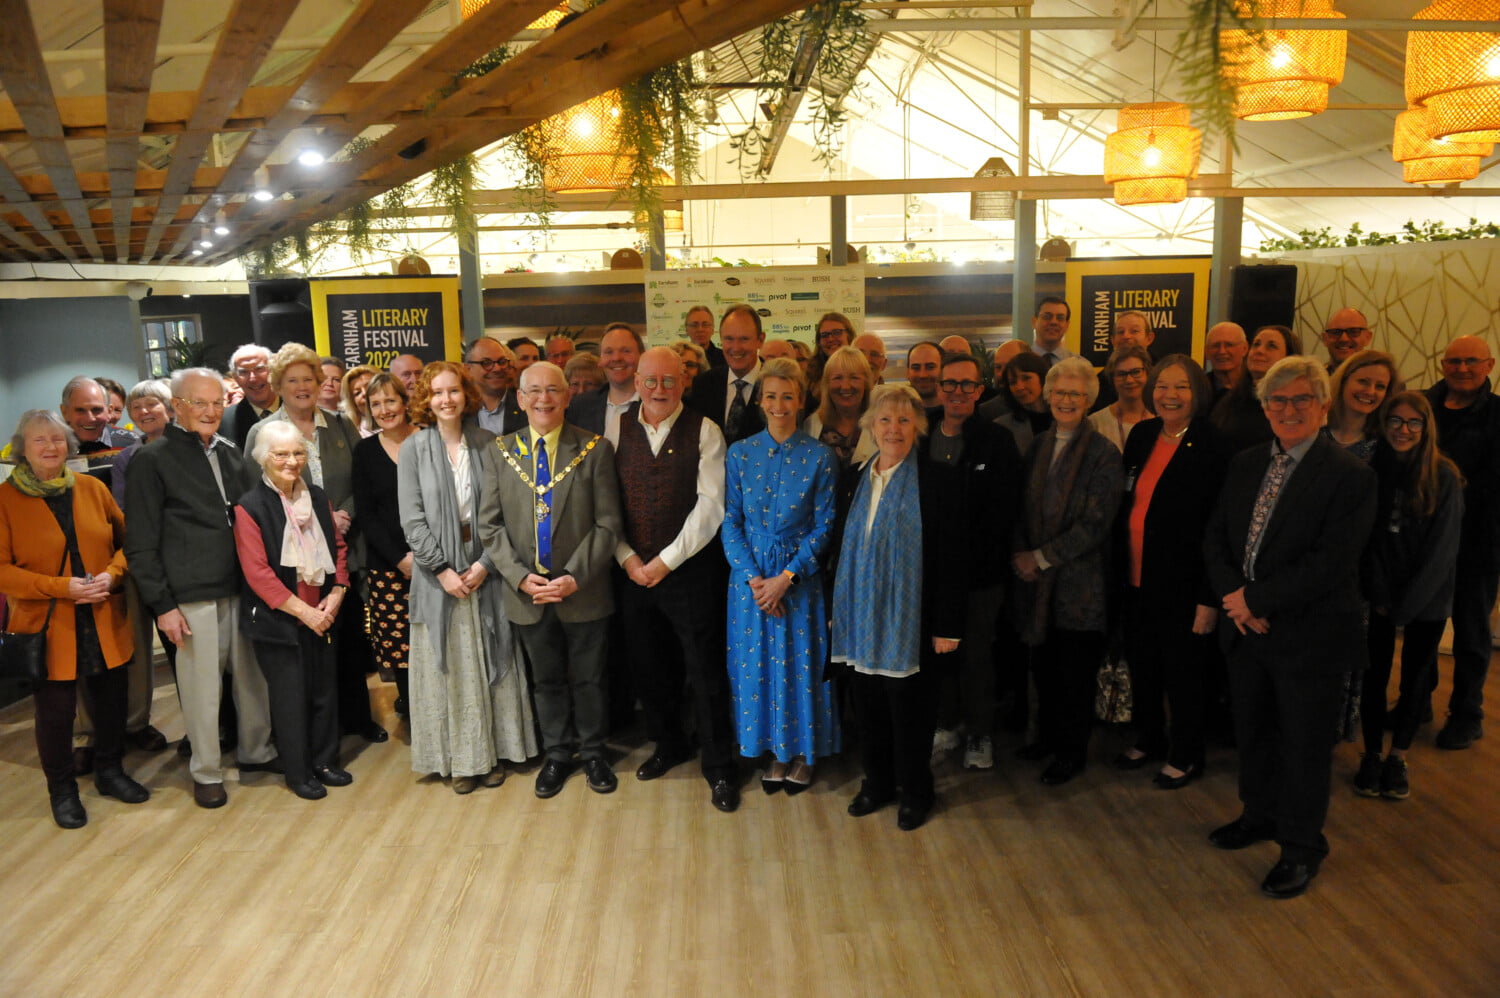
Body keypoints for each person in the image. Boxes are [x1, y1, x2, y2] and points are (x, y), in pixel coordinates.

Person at [1204, 355, 1377, 900]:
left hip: (1310, 636)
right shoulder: (1247, 462)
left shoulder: (1351, 475)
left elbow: (1332, 562)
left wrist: (1253, 599)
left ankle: (1302, 849)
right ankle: (1259, 815)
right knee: (1253, 732)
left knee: (1303, 748)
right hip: (1247, 629)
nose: (1288, 409)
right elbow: (1216, 538)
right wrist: (1237, 601)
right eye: (1277, 400)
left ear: (1325, 407)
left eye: (1302, 399)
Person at [125, 367, 275, 808]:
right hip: (189, 597)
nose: (211, 411)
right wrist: (162, 606)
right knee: (201, 690)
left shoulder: (232, 454)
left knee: (252, 682)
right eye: (199, 403)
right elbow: (141, 544)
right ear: (177, 407)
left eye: (217, 403)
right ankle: (206, 772)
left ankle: (257, 753)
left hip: (242, 589)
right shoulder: (151, 461)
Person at [478, 361, 623, 799]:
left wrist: (573, 577)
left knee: (590, 677)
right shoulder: (499, 452)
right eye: (534, 391)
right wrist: (521, 579)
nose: (544, 399)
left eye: (553, 390)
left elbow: (608, 523)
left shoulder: (594, 449)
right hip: (528, 594)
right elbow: (489, 527)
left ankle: (595, 751)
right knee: (546, 680)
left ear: (567, 396)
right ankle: (558, 753)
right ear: (520, 399)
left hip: (582, 591)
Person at [1, 410, 149, 828]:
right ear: (20, 450)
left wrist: (112, 574)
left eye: (56, 439)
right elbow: (2, 570)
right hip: (47, 624)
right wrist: (59, 587)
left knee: (111, 702)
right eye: (39, 441)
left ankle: (110, 771)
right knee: (55, 713)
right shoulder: (4, 500)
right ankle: (62, 790)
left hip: (103, 614)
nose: (50, 448)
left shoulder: (90, 488)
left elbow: (128, 542)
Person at [830, 384, 966, 832]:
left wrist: (947, 623)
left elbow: (951, 558)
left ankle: (916, 791)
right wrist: (837, 609)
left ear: (919, 427)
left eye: (905, 420)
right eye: (885, 420)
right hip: (860, 617)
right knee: (867, 707)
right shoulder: (853, 478)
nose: (894, 429)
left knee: (911, 712)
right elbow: (840, 549)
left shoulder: (939, 481)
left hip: (913, 621)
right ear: (870, 425)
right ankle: (877, 784)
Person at [399, 362, 538, 793]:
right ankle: (462, 760)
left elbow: (505, 513)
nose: (446, 399)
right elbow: (412, 518)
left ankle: (493, 753)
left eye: (454, 391)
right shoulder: (413, 449)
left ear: (466, 395)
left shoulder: (489, 443)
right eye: (437, 392)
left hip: (487, 573)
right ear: (426, 398)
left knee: (492, 661)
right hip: (437, 579)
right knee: (453, 670)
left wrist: (483, 565)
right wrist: (441, 570)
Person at [613, 348, 739, 812]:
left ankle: (720, 768)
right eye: (650, 380)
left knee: (704, 673)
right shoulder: (617, 427)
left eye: (669, 380)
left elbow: (711, 507)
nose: (659, 389)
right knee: (650, 668)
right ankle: (669, 745)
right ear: (636, 381)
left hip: (690, 574)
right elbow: (607, 504)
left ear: (684, 381)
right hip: (632, 573)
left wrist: (664, 562)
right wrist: (627, 558)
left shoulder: (705, 430)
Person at [245, 343, 384, 745]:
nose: (303, 387)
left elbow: (364, 480)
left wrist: (343, 514)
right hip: (291, 561)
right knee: (305, 645)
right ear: (278, 386)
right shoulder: (263, 431)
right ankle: (315, 730)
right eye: (293, 380)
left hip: (345, 549)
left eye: (309, 379)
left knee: (350, 638)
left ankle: (357, 717)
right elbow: (255, 494)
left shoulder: (339, 425)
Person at [723, 358, 840, 795]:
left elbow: (825, 526)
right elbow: (729, 521)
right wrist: (754, 579)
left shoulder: (820, 457)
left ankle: (804, 753)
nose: (778, 404)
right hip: (749, 585)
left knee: (799, 667)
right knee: (756, 669)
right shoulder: (740, 453)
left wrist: (786, 577)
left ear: (801, 400)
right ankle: (772, 750)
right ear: (759, 400)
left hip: (799, 581)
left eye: (787, 396)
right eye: (770, 396)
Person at [1113, 356, 1231, 788]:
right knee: (1144, 665)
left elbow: (1219, 529)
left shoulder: (1213, 446)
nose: (1169, 395)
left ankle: (1187, 753)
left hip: (1184, 586)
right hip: (1136, 579)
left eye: (1180, 387)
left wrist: (1208, 597)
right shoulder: (1143, 435)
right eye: (1162, 386)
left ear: (1197, 392)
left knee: (1184, 673)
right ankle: (1149, 737)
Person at [1011, 357, 1123, 786]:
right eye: (1059, 392)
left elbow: (1096, 524)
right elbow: (1020, 506)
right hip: (1036, 585)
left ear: (1089, 399)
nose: (1066, 400)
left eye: (1076, 394)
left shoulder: (1103, 454)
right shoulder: (1039, 445)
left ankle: (1070, 752)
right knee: (1044, 668)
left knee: (1074, 676)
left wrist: (1039, 558)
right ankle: (1046, 738)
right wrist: (1022, 553)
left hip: (1080, 587)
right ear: (1049, 395)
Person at [233, 421, 353, 800]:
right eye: (280, 454)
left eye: (298, 453)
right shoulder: (249, 507)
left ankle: (325, 761)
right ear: (262, 459)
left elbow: (338, 549)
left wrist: (335, 595)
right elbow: (258, 574)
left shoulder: (317, 497)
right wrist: (307, 613)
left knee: (324, 692)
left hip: (324, 611)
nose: (291, 461)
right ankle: (299, 772)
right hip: (280, 619)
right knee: (290, 698)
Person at [1357, 391, 1463, 800]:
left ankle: (1398, 755)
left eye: (1413, 423)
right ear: (1383, 426)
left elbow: (1442, 550)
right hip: (1378, 594)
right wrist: (1381, 596)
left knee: (1416, 679)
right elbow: (1369, 541)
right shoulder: (1371, 471)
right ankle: (1370, 753)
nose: (1404, 430)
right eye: (1395, 421)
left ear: (1426, 428)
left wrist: (1409, 605)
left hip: (1428, 598)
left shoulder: (1444, 476)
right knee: (1373, 675)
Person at [927, 352, 1023, 771]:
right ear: (939, 387)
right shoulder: (922, 431)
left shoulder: (997, 440)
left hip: (981, 573)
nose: (957, 392)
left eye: (967, 384)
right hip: (930, 572)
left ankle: (980, 733)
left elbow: (1005, 510)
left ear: (980, 390)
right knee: (938, 653)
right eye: (950, 383)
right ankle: (947, 723)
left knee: (976, 656)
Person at [1423, 335, 1500, 750]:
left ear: (1488, 365)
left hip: (1479, 541)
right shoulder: (1424, 406)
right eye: (1455, 361)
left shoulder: (1499, 415)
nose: (1463, 368)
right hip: (1428, 539)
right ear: (1442, 364)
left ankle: (1467, 714)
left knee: (1471, 633)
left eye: (1472, 361)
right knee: (1425, 627)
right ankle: (1418, 702)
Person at [95, 379, 174, 757]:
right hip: (146, 557)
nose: (144, 413)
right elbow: (125, 508)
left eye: (152, 405)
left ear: (170, 407)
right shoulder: (126, 457)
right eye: (137, 407)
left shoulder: (185, 444)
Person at [352, 373, 417, 717]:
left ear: (405, 402)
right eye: (375, 404)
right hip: (388, 566)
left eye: (390, 401)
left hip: (437, 561)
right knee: (401, 645)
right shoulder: (364, 451)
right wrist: (398, 559)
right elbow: (366, 513)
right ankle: (409, 708)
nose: (384, 409)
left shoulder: (429, 440)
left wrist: (427, 556)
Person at [1211, 324, 1303, 454]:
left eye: (1271, 346)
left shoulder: (1294, 407)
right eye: (1256, 344)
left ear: (1289, 358)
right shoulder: (1228, 400)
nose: (1259, 351)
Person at [804, 345, 877, 469]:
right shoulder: (811, 425)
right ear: (826, 384)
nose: (845, 386)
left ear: (865, 382)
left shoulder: (881, 423)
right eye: (837, 378)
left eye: (854, 378)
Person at [567, 322, 641, 443]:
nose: (617, 358)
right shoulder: (579, 407)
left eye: (626, 351)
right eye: (608, 352)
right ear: (600, 359)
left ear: (641, 356)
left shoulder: (656, 403)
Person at [1324, 350, 1399, 461]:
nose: (1370, 392)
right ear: (1343, 381)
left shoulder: (1386, 444)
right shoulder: (1314, 429)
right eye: (1363, 381)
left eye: (1380, 386)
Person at [986, 351, 1052, 454]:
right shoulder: (1002, 427)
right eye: (1013, 382)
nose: (1020, 387)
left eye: (1026, 378)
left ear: (1043, 378)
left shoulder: (1063, 418)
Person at [1088, 345, 1152, 451]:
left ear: (1147, 373)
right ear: (1112, 378)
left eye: (1136, 372)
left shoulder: (1162, 420)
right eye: (1121, 374)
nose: (1129, 380)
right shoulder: (1095, 423)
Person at [1091, 312, 1157, 411]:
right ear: (1112, 340)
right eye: (1120, 332)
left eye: (1134, 331)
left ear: (1149, 338)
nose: (1126, 336)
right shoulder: (1100, 382)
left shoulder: (1163, 373)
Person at [223, 345, 280, 451]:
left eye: (259, 369)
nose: (253, 378)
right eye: (244, 372)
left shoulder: (299, 409)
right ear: (236, 378)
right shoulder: (224, 422)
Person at [464, 337, 525, 436]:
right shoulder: (460, 412)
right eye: (486, 363)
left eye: (502, 361)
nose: (497, 368)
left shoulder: (525, 406)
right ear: (468, 369)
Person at [1205, 321, 1248, 406]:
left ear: (1245, 348)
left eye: (1229, 345)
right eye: (1216, 345)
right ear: (1207, 352)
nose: (1222, 351)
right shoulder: (1198, 390)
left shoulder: (1258, 389)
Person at [1321, 307, 1374, 372]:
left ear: (1367, 337)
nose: (1344, 339)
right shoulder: (1314, 380)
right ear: (1325, 339)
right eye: (1336, 332)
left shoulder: (1382, 379)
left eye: (1353, 331)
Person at [1029, 297, 1074, 365]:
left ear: (1067, 326)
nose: (1054, 322)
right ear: (1034, 322)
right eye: (1046, 317)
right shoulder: (1018, 363)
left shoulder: (1080, 367)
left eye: (1060, 318)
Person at [340, 364, 380, 437]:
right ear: (353, 404)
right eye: (357, 393)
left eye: (369, 386)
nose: (364, 393)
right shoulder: (351, 437)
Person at [905, 341, 944, 406]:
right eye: (916, 368)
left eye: (930, 367)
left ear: (943, 370)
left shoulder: (959, 413)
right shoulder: (895, 412)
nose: (922, 375)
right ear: (907, 372)